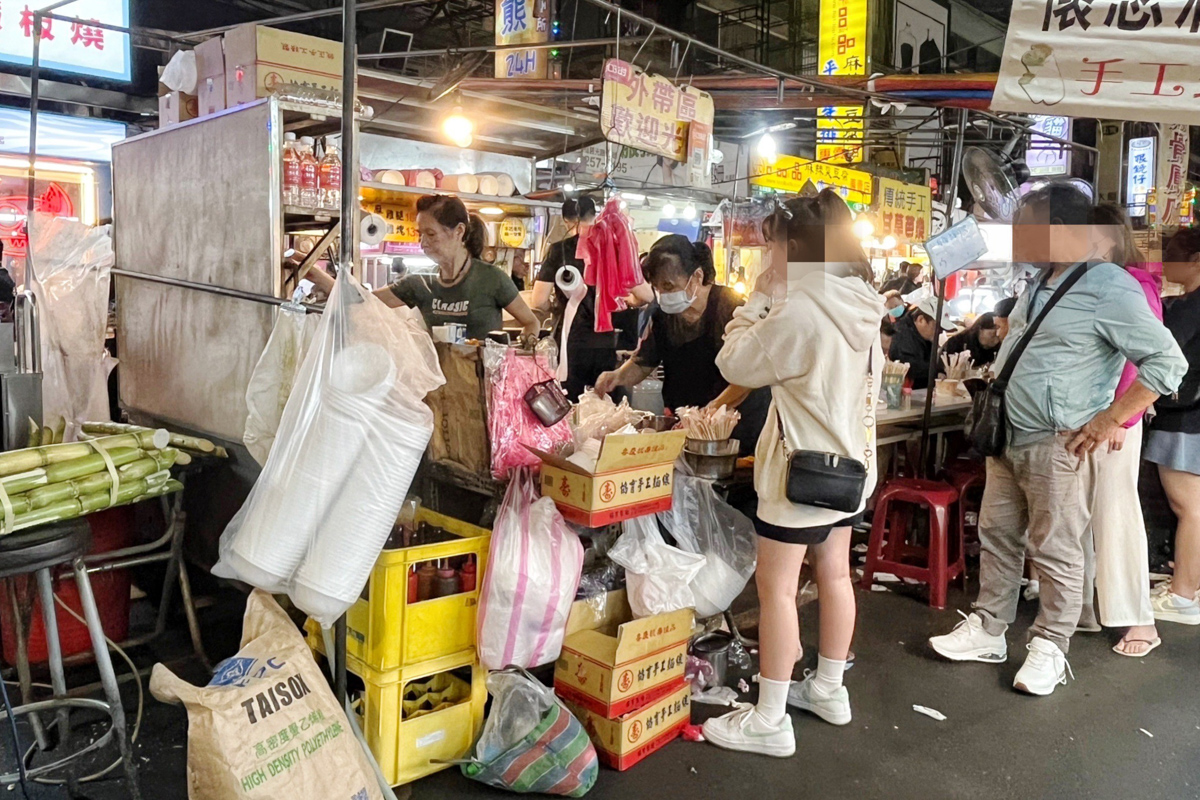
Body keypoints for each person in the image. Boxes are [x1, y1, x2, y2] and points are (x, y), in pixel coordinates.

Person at [928, 182, 1186, 696]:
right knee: (999, 538)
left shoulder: (1109, 285)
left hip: (1057, 440)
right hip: (1008, 437)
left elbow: (1167, 363)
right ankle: (989, 629)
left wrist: (1110, 420)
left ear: (1064, 230)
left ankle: (1050, 645)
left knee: (1057, 549)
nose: (1020, 236)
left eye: (1030, 225)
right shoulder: (1040, 282)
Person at [700, 189, 883, 757]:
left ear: (796, 249)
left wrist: (756, 303)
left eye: (772, 246)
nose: (765, 256)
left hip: (800, 475)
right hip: (851, 469)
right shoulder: (859, 300)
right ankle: (829, 688)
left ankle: (770, 718)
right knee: (833, 573)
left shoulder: (801, 308)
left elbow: (735, 363)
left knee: (776, 588)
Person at [594, 235, 768, 452]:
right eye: (657, 288)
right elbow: (644, 362)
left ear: (696, 276)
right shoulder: (662, 315)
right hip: (688, 425)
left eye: (669, 286)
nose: (663, 295)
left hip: (738, 427)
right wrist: (616, 376)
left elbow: (750, 376)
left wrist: (713, 409)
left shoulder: (732, 308)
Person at [1079, 202, 1162, 655]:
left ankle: (1139, 620)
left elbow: (1142, 357)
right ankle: (1087, 609)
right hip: (1092, 419)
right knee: (1086, 516)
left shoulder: (1132, 283)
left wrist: (1121, 417)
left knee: (1115, 515)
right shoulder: (1097, 280)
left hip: (1114, 422)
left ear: (1107, 238)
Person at [307, 194, 538, 340]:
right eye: (420, 234)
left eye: (431, 234)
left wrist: (515, 361)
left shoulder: (491, 279)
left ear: (458, 231)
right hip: (437, 390)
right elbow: (364, 301)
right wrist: (315, 274)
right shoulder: (420, 283)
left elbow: (531, 322)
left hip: (484, 391)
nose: (423, 243)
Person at [1144, 227, 1200, 627]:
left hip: (1183, 417)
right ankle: (1188, 586)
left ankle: (1182, 596)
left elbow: (1163, 356)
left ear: (1195, 261)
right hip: (1192, 416)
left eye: (1172, 256)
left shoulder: (1190, 307)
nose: (1165, 264)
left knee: (1189, 508)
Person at [532, 196, 636, 400]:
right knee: (603, 404)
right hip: (605, 342)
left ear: (566, 222)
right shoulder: (611, 248)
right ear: (594, 217)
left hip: (571, 344)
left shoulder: (558, 250)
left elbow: (538, 301)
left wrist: (557, 306)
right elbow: (643, 294)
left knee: (569, 405)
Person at [888, 295, 952, 390]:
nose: (939, 332)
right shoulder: (902, 334)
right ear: (921, 320)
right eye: (936, 327)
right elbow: (911, 367)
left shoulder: (925, 336)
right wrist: (937, 372)